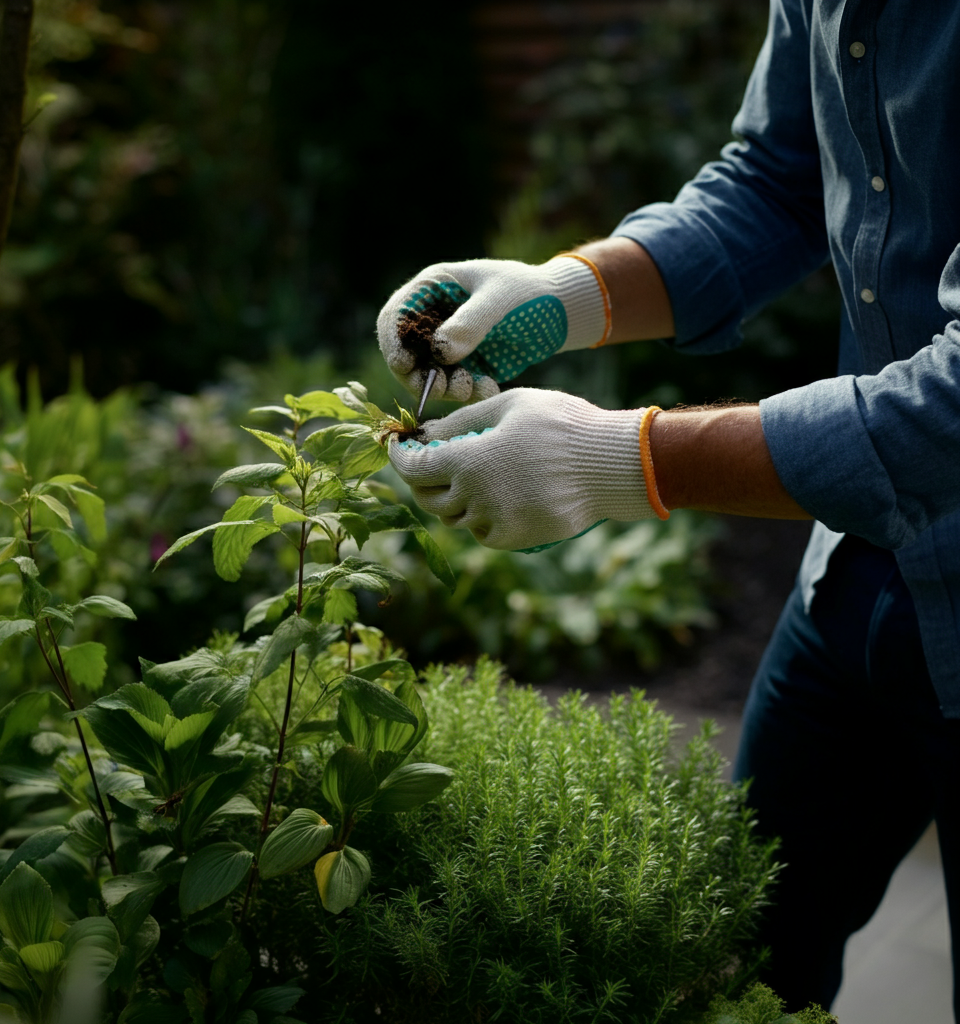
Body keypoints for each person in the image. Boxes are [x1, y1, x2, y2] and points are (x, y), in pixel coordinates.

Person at [375, 0, 960, 1015]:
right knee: (732, 949)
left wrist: (615, 460)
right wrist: (561, 291)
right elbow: (775, 181)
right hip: (860, 564)